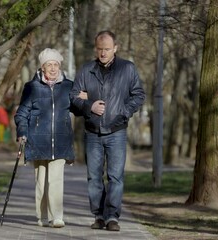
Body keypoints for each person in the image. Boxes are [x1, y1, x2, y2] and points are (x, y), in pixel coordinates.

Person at [69, 30, 145, 231]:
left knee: (115, 176)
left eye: (107, 49)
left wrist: (124, 112)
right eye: (100, 49)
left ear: (115, 48)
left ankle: (112, 217)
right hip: (92, 131)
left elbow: (138, 94)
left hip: (117, 131)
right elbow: (73, 98)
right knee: (94, 176)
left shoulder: (127, 69)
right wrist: (89, 106)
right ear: (96, 49)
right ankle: (98, 216)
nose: (103, 53)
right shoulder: (86, 70)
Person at [14, 48, 77, 228]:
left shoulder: (68, 86)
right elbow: (21, 114)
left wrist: (87, 102)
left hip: (61, 141)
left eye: (56, 64)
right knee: (41, 182)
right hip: (37, 141)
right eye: (49, 64)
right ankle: (42, 216)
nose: (53, 68)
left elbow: (78, 108)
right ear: (42, 67)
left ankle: (57, 216)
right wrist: (22, 132)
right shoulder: (31, 87)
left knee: (56, 180)